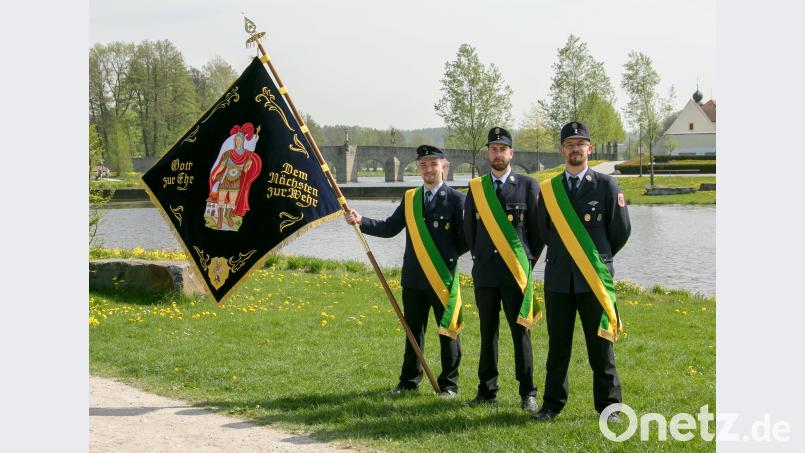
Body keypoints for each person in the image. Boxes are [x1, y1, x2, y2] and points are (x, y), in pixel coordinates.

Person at [345, 145, 468, 398]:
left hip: (442, 278)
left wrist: (447, 259)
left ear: (444, 166)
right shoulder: (411, 198)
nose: (428, 169)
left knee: (449, 331)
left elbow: (466, 239)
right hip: (413, 278)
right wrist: (361, 220)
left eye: (433, 164)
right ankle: (409, 381)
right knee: (413, 332)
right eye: (423, 165)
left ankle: (449, 385)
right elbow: (390, 227)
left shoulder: (457, 199)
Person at [531, 121, 631, 423]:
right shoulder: (548, 190)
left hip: (595, 279)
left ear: (590, 148)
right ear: (562, 150)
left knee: (601, 346)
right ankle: (551, 405)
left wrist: (596, 259)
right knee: (557, 347)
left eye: (580, 144)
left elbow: (621, 231)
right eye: (569, 144)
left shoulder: (606, 186)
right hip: (559, 279)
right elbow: (543, 230)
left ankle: (609, 408)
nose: (575, 149)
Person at [463, 127, 543, 412]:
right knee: (488, 333)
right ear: (488, 153)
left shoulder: (528, 186)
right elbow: (470, 232)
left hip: (516, 275)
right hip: (485, 273)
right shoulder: (476, 188)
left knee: (521, 332)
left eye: (502, 149)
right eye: (493, 149)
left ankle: (528, 391)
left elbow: (537, 232)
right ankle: (487, 389)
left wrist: (526, 263)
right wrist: (482, 257)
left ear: (512, 154)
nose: (498, 154)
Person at [206, 123, 262, 231]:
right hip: (225, 179)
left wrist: (247, 166)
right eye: (236, 140)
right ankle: (220, 221)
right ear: (235, 141)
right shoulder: (229, 153)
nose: (238, 141)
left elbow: (247, 166)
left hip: (236, 181)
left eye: (240, 140)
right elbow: (222, 165)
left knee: (232, 202)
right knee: (221, 200)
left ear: (242, 141)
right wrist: (216, 173)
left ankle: (228, 216)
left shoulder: (246, 155)